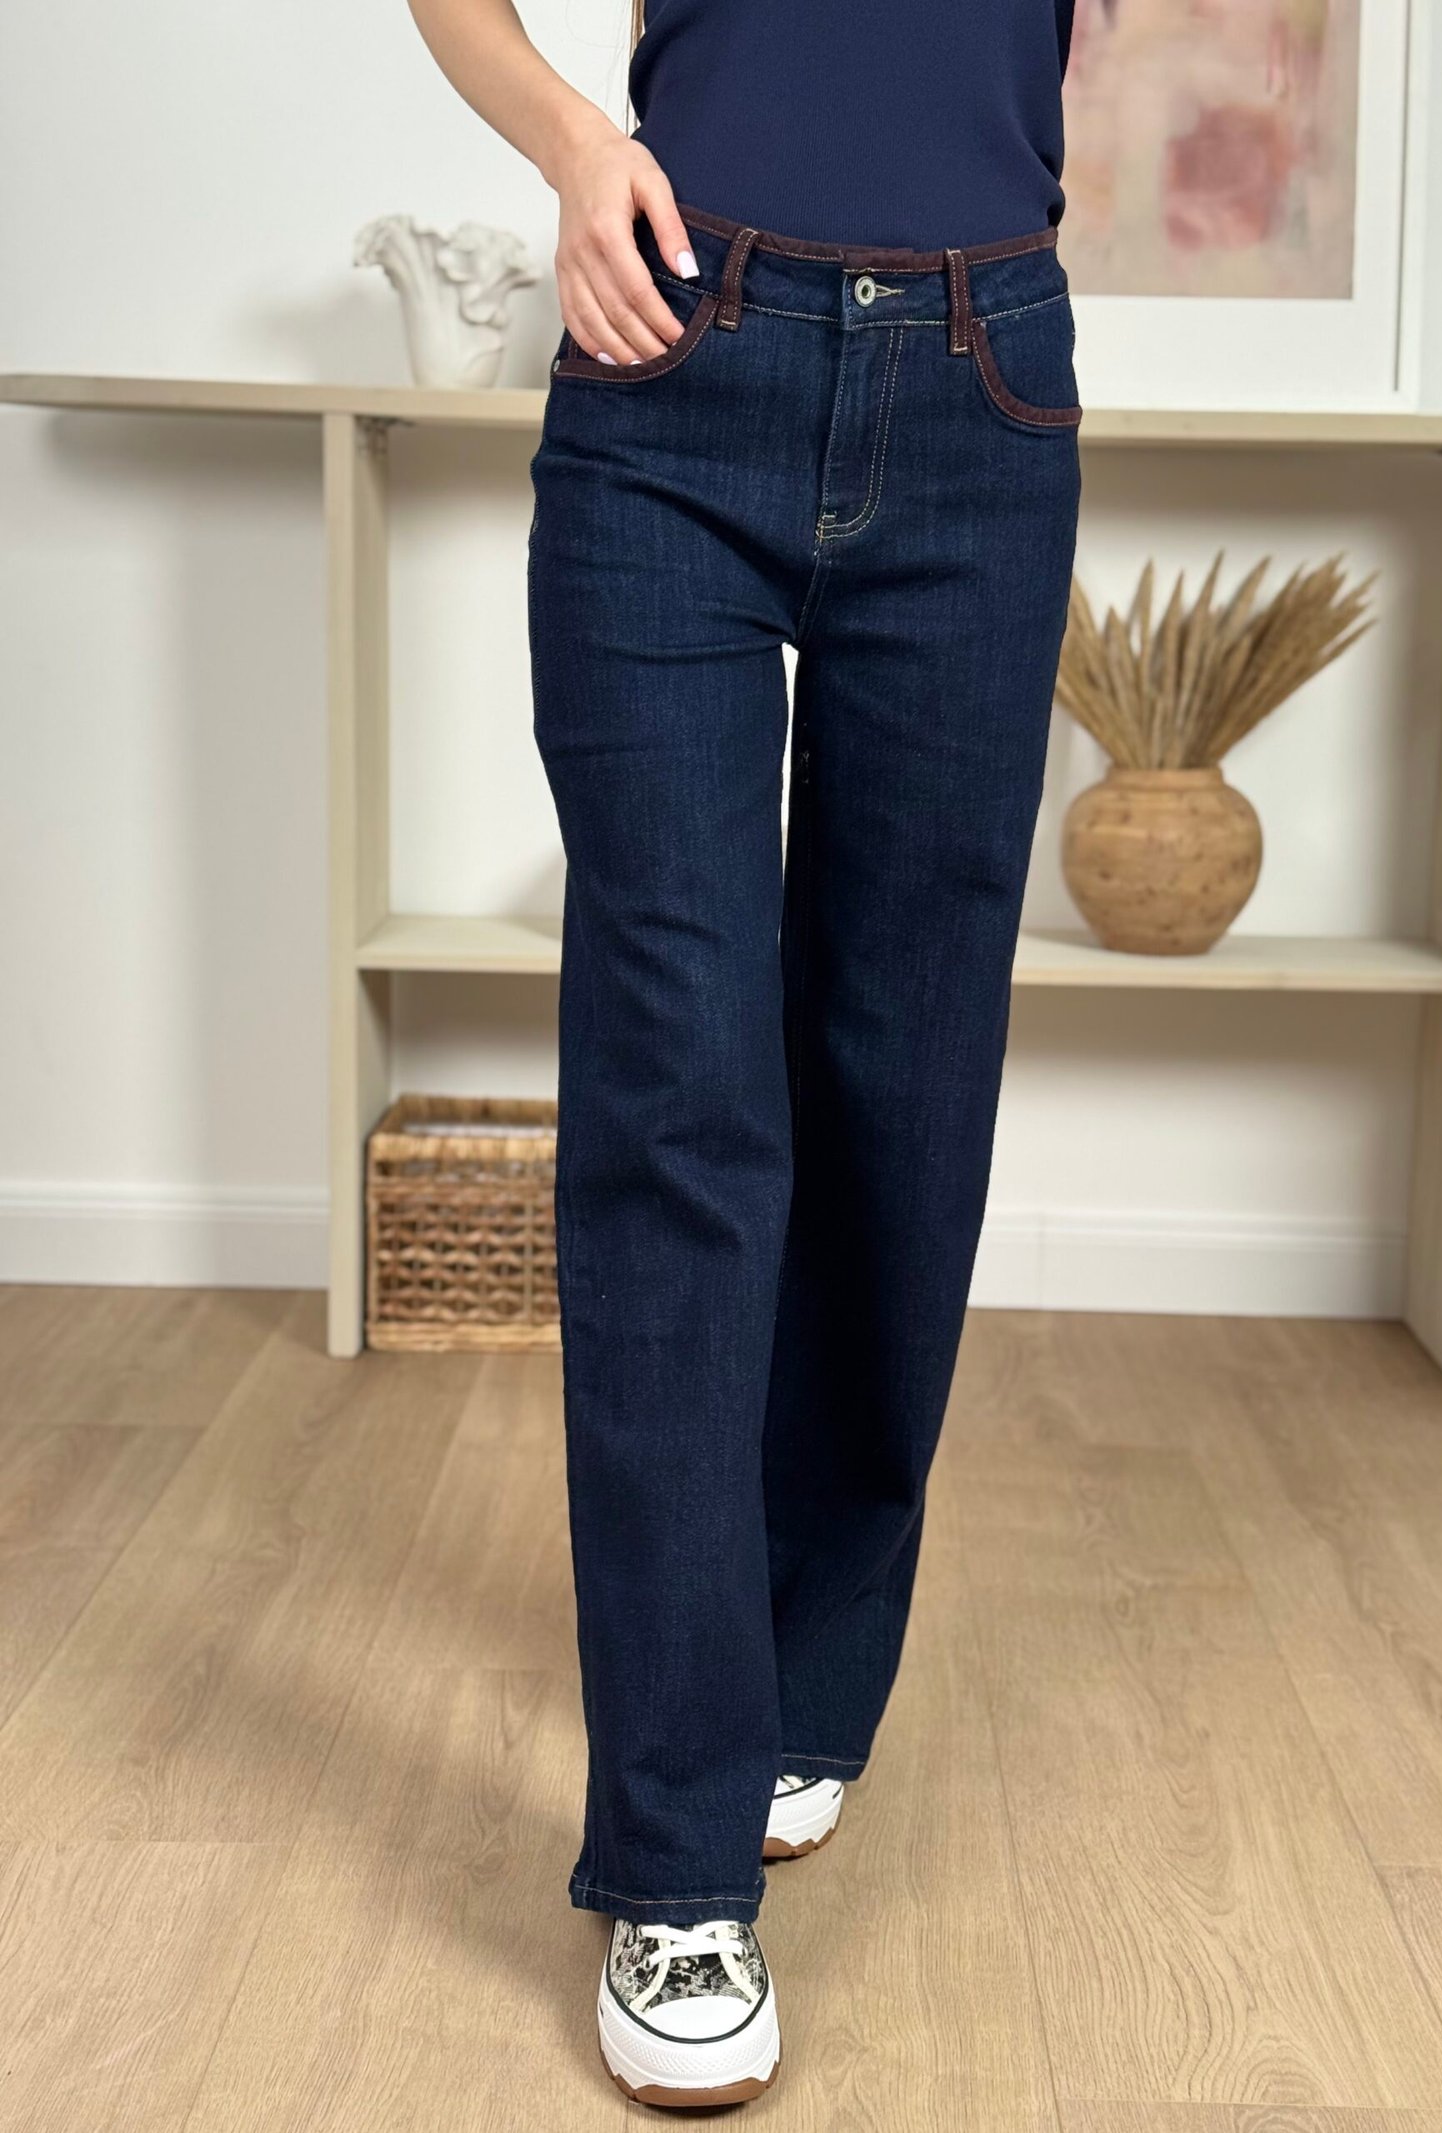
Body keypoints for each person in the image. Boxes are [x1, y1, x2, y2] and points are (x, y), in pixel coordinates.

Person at [409, 0, 1081, 2106]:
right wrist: (564, 138)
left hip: (982, 379)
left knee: (902, 1096)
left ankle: (802, 1669)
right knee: (678, 1099)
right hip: (671, 364)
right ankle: (676, 1865)